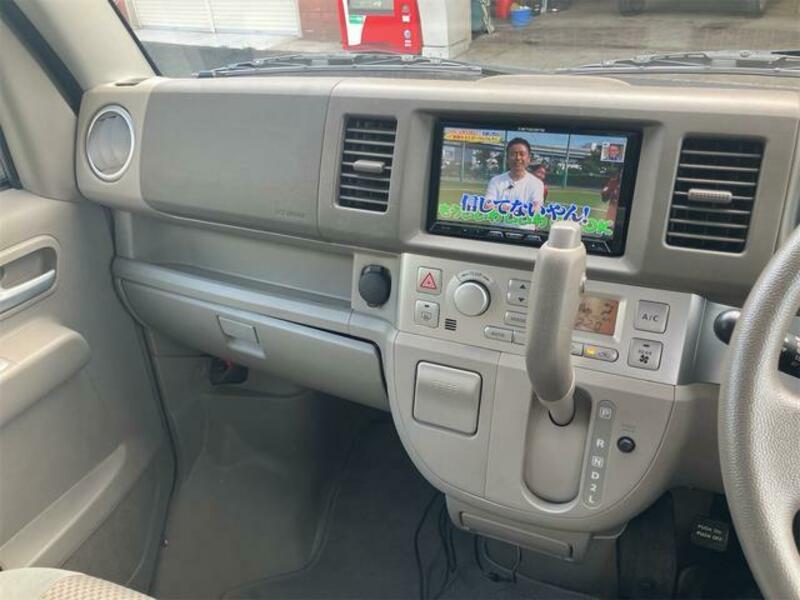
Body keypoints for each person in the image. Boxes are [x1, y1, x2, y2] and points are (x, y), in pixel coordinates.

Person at [485, 138, 545, 214]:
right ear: (507, 158)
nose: (518, 158)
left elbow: (535, 211)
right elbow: (488, 207)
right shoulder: (495, 181)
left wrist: (503, 208)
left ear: (529, 159)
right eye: (513, 154)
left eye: (522, 154)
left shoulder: (537, 184)